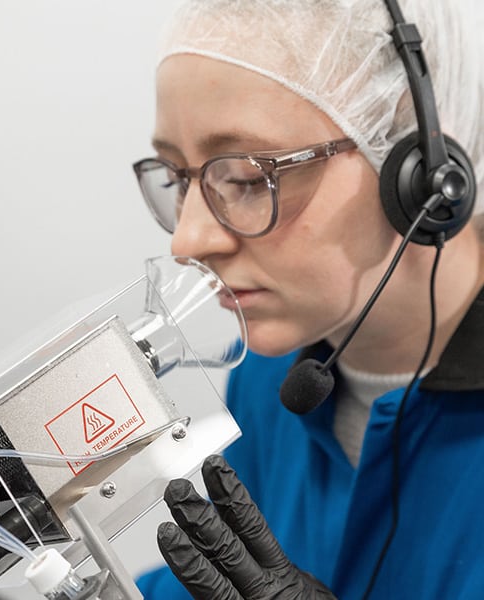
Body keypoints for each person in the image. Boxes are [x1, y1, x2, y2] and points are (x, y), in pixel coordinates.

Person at [132, 0, 484, 598]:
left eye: (245, 177)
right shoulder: (275, 377)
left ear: (418, 170)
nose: (188, 240)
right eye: (175, 177)